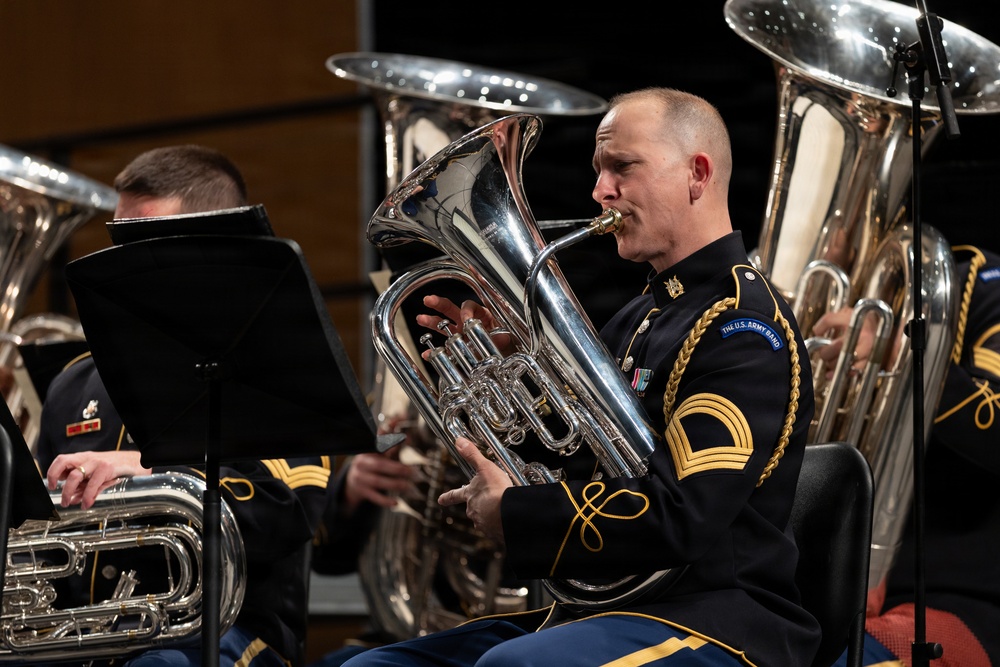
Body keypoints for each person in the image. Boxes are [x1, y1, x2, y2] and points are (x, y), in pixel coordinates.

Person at [336, 86, 821, 666]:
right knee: (370, 666)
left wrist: (515, 513)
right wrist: (512, 381)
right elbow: (575, 460)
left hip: (722, 620)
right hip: (611, 611)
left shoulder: (744, 329)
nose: (599, 191)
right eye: (598, 170)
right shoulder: (640, 315)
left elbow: (682, 516)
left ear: (697, 173)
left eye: (623, 167)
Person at [35, 144, 333, 667]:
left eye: (144, 239)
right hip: (87, 637)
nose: (122, 262)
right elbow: (37, 533)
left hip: (226, 635)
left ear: (210, 245)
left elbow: (284, 515)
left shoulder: (276, 366)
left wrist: (150, 467)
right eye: (116, 238)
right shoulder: (72, 383)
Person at [818, 244, 1000, 666]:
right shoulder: (834, 290)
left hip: (954, 601)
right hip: (828, 587)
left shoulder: (980, 282)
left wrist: (898, 355)